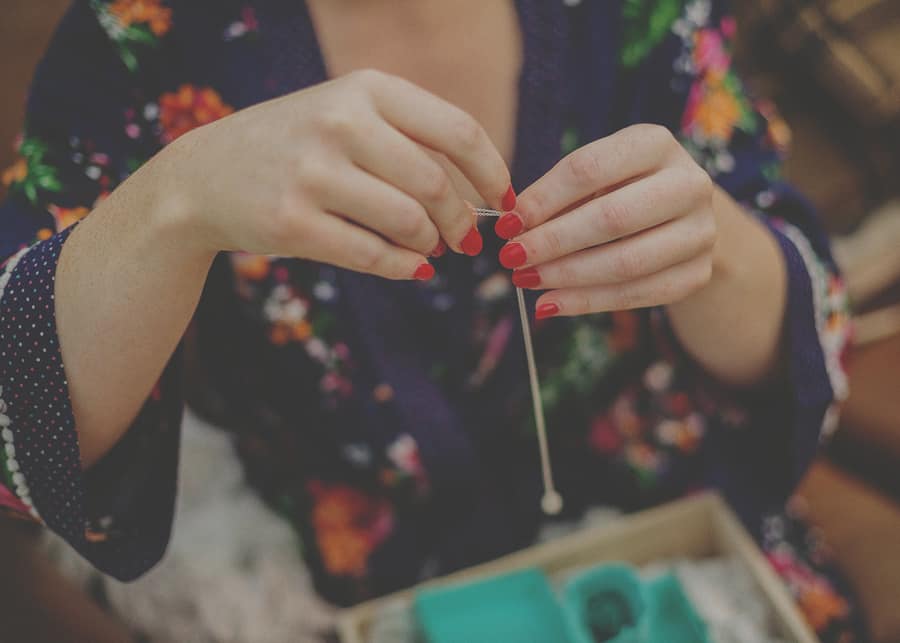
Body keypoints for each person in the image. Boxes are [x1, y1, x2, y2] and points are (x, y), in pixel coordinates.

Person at [0, 0, 856, 638]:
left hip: (662, 543)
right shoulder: (140, 39)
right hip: (353, 585)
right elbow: (22, 429)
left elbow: (796, 349)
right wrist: (174, 203)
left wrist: (716, 251)